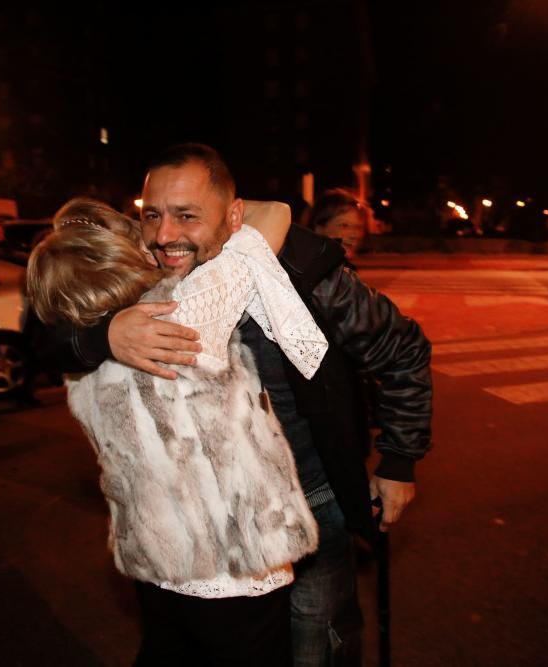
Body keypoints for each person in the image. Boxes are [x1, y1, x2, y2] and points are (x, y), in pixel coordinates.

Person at [41, 144, 433, 667]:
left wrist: (400, 460)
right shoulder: (136, 282)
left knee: (317, 648)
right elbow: (39, 328)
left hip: (313, 497)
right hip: (206, 533)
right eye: (152, 215)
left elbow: (402, 348)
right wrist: (102, 337)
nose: (164, 235)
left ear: (233, 215)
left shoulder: (304, 274)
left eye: (186, 216)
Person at [27, 197, 327, 666]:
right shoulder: (185, 314)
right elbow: (275, 214)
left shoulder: (80, 365)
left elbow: (43, 331)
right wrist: (185, 219)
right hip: (234, 564)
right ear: (125, 260)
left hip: (161, 558)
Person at [306, 188, 370, 260]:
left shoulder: (347, 269)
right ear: (319, 229)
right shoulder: (306, 267)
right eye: (344, 226)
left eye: (358, 227)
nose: (354, 235)